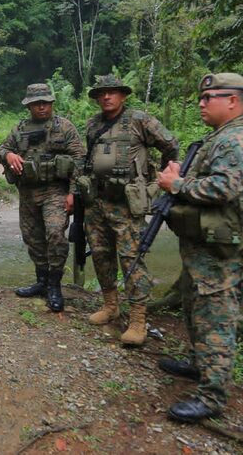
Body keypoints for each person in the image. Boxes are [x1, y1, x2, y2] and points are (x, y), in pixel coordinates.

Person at [157, 73, 243, 422]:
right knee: (194, 307)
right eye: (201, 97)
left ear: (233, 100)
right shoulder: (220, 137)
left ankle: (212, 397)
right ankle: (198, 364)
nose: (202, 103)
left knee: (216, 320)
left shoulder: (239, 140)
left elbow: (222, 189)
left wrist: (177, 184)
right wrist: (181, 175)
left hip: (223, 252)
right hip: (205, 245)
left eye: (209, 97)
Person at [78, 74, 178, 345]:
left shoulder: (139, 120)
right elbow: (87, 158)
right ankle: (110, 306)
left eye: (112, 92)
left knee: (131, 259)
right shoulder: (93, 124)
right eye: (102, 93)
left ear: (122, 95)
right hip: (97, 201)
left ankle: (138, 319)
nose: (106, 97)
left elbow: (171, 145)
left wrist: (159, 182)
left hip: (127, 203)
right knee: (100, 254)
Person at [0, 84, 85, 311]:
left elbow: (80, 159)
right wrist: (8, 155)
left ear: (52, 103)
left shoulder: (64, 127)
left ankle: (55, 285)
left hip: (55, 191)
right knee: (32, 237)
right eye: (37, 103)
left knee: (55, 233)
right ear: (29, 105)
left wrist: (73, 193)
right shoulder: (20, 128)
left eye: (45, 102)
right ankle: (42, 281)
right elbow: (2, 149)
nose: (42, 107)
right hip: (27, 192)